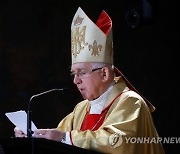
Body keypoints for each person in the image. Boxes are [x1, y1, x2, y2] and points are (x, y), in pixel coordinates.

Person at [14, 7, 165, 154]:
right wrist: (32, 137)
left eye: (81, 73)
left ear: (104, 74)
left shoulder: (131, 103)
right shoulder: (81, 109)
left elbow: (118, 143)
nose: (76, 81)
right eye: (74, 74)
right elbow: (55, 140)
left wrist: (66, 138)